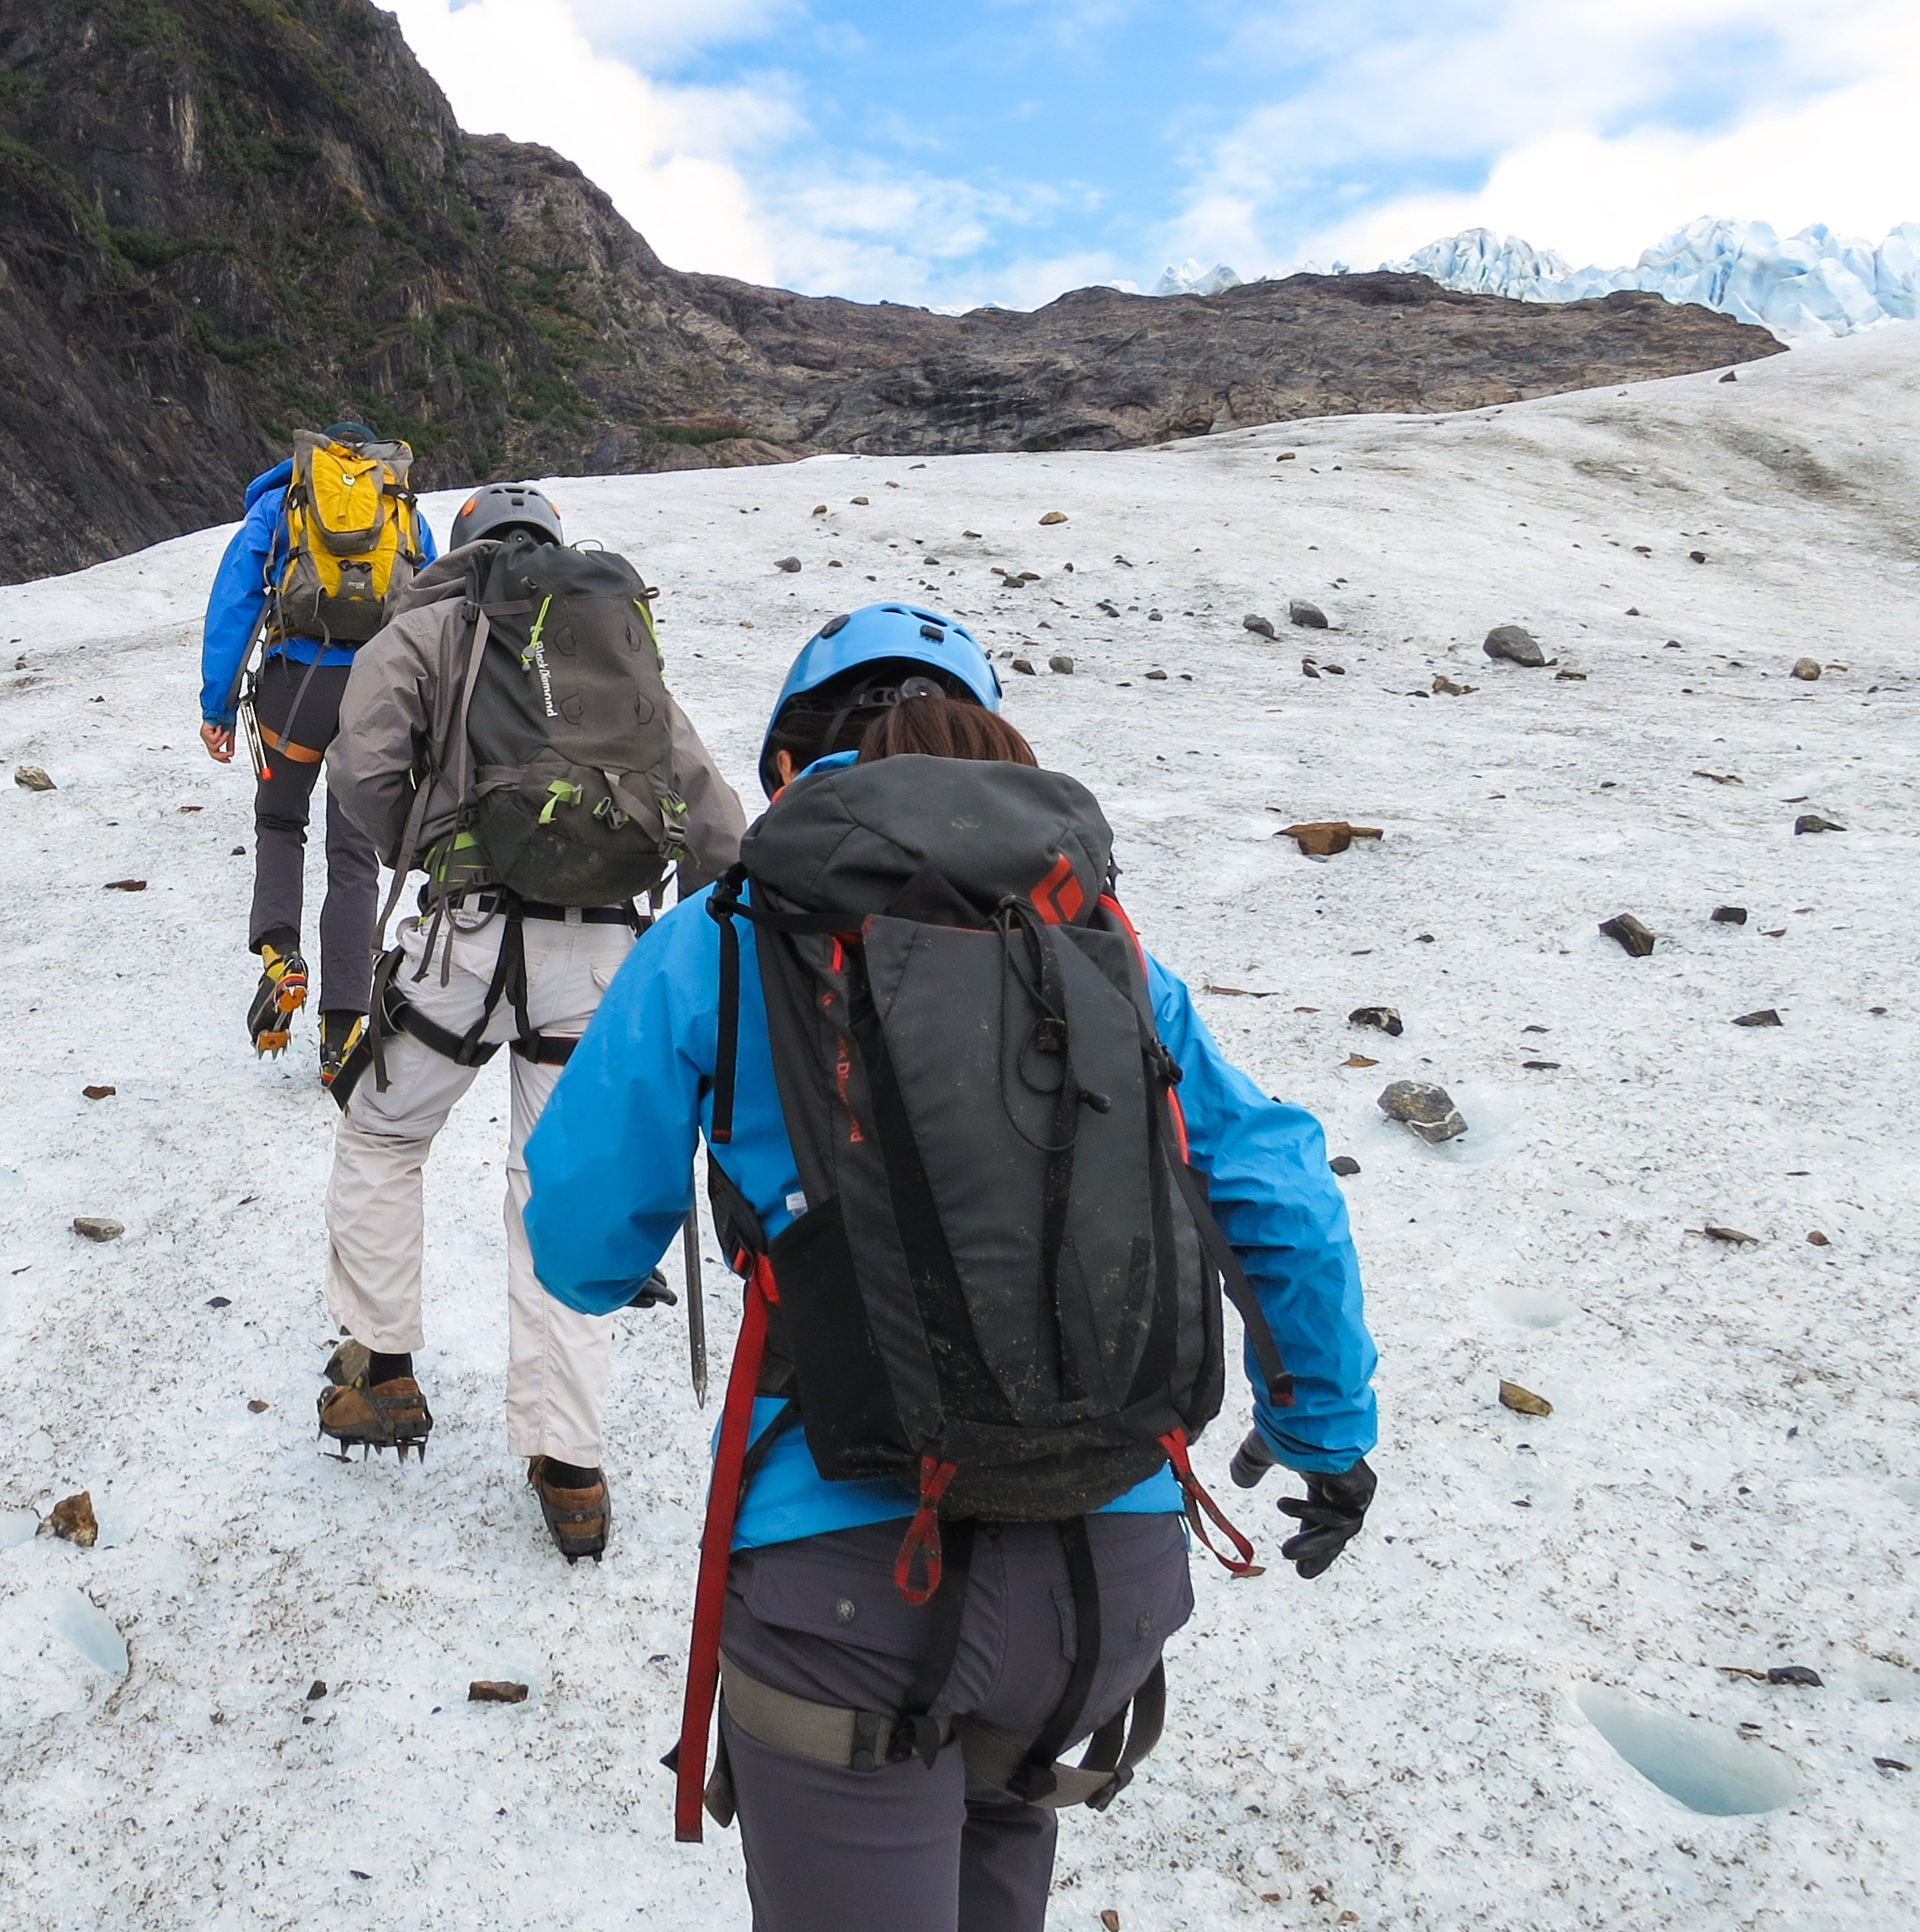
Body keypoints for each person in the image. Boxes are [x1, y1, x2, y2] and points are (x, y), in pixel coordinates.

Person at [522, 606, 1380, 1930]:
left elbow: (578, 1249)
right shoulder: (1100, 939)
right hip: (1110, 1573)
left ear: (792, 766)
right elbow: (1275, 1187)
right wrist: (1324, 1426)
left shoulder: (729, 929)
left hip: (848, 1579)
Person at [313, 482, 748, 1559]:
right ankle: (570, 1467)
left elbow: (358, 766)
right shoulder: (616, 648)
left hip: (461, 943)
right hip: (597, 955)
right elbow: (716, 822)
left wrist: (439, 844)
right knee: (550, 1189)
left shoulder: (431, 624)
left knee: (383, 1133)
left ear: (465, 543)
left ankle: (377, 1370)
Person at [199, 425, 437, 1076]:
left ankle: (281, 957)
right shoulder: (404, 511)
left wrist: (216, 706)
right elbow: (434, 611)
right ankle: (343, 1024)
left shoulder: (280, 507)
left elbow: (235, 606)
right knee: (354, 854)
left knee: (280, 821)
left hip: (293, 690)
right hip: (375, 693)